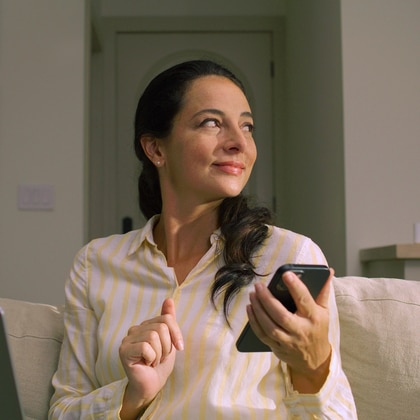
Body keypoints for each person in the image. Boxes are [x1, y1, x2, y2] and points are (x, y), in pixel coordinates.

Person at [49, 60, 357, 419]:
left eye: (247, 126)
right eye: (212, 123)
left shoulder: (288, 256)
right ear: (156, 150)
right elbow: (63, 410)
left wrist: (314, 365)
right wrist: (133, 397)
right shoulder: (95, 264)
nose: (239, 143)